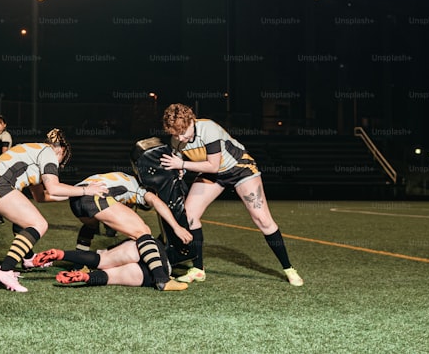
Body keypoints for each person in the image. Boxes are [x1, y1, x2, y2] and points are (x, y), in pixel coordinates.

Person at [158, 103, 304, 286]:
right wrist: (180, 170)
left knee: (262, 219)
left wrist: (182, 166)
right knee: (189, 216)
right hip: (214, 174)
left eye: (182, 132)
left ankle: (288, 268)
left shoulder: (207, 128)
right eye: (175, 133)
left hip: (239, 169)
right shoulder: (176, 140)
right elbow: (183, 162)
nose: (180, 137)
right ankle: (198, 269)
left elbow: (213, 165)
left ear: (191, 121)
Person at [0, 128, 107, 292]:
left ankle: (28, 258)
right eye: (61, 160)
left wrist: (74, 194)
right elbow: (54, 187)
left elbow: (41, 196)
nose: (57, 165)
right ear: (60, 149)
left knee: (24, 221)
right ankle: (5, 270)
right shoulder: (49, 152)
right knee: (38, 224)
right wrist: (86, 190)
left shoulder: (34, 154)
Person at [31, 171, 190, 291]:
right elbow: (156, 202)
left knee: (91, 225)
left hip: (77, 199)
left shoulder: (116, 177)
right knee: (143, 232)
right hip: (96, 198)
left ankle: (77, 266)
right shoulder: (139, 189)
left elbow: (46, 197)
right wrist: (177, 227)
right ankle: (162, 279)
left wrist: (35, 182)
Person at [33, 239, 186, 291]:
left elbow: (100, 257)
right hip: (161, 266)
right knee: (111, 276)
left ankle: (62, 254)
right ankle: (86, 277)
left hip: (135, 250)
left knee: (103, 260)